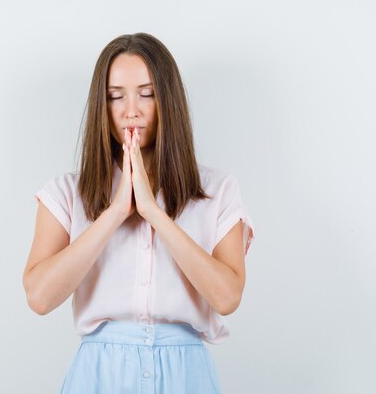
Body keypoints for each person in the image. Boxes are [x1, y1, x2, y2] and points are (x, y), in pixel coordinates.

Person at [22, 32, 255, 394]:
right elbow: (39, 297)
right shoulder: (67, 193)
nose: (131, 110)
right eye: (116, 97)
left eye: (147, 94)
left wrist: (152, 212)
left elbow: (227, 298)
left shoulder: (218, 190)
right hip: (99, 376)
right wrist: (116, 212)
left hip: (186, 375)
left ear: (168, 101)